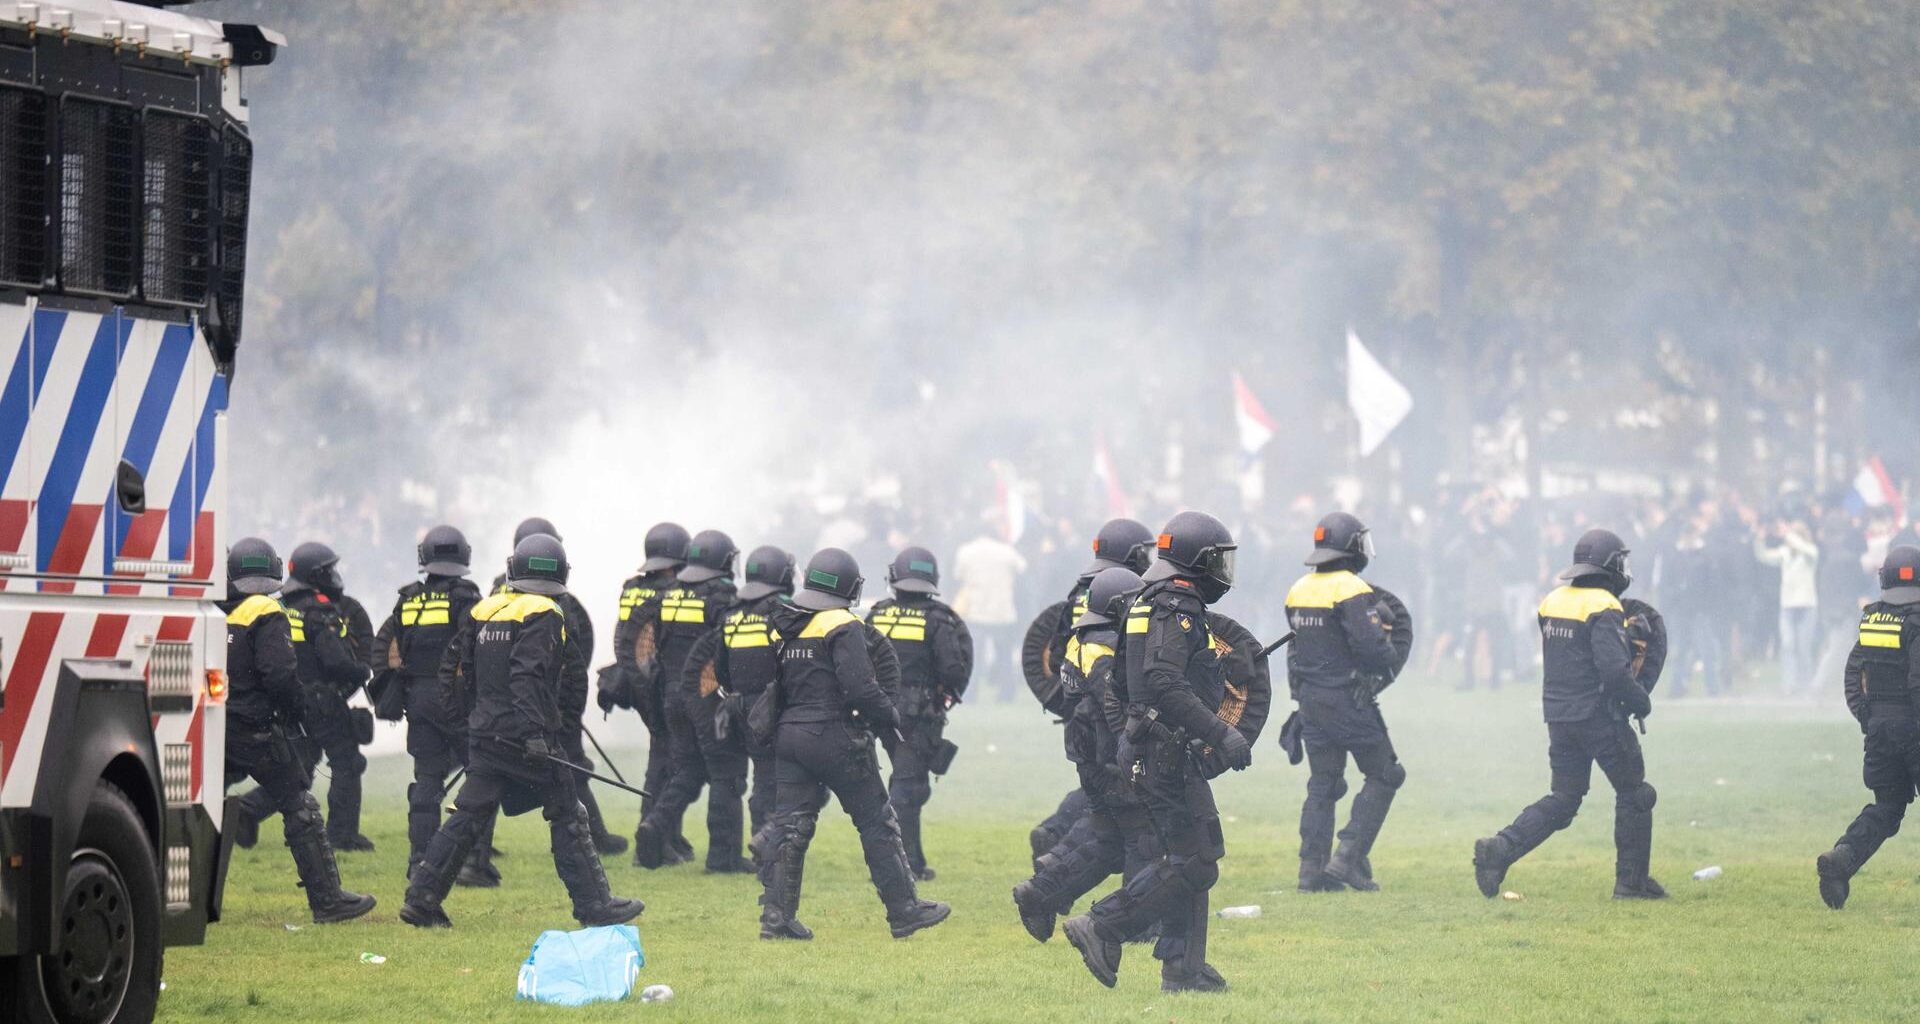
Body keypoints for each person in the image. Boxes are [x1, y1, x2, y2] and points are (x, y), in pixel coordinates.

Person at [400, 535, 645, 929]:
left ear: (514, 569)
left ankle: (421, 898)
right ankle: (595, 906)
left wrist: (467, 723)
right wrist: (535, 733)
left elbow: (455, 671)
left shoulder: (486, 609)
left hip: (484, 735)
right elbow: (528, 675)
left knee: (466, 816)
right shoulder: (546, 611)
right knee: (567, 811)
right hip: (524, 737)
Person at [1063, 511, 1249, 994]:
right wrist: (1220, 732)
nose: (1223, 571)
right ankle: (1104, 925)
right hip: (1165, 748)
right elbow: (1165, 681)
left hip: (1153, 744)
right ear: (1198, 560)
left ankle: (1184, 967)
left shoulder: (1146, 601)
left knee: (1190, 853)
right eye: (1219, 561)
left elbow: (1137, 680)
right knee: (1194, 860)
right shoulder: (1175, 605)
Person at [756, 548, 950, 941]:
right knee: (877, 821)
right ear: (849, 586)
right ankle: (905, 910)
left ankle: (777, 919)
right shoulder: (842, 624)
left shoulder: (789, 620)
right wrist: (889, 717)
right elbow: (860, 687)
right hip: (833, 736)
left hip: (790, 735)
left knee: (790, 827)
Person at [1473, 528, 1667, 901]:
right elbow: (1613, 671)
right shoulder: (1603, 606)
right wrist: (1640, 701)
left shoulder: (1553, 601)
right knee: (1635, 793)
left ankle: (1500, 849)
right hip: (1598, 717)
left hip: (1559, 717)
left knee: (1564, 798)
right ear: (1612, 566)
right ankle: (1631, 883)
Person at [220, 538, 376, 924]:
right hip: (259, 726)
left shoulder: (220, 611)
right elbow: (279, 675)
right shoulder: (267, 611)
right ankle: (328, 902)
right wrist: (293, 713)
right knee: (299, 804)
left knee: (204, 805)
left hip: (220, 724)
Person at [1013, 566, 1156, 942]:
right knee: (1144, 837)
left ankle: (1041, 893)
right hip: (1110, 759)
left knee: (1109, 844)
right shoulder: (1105, 650)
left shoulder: (1084, 639)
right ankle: (1137, 924)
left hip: (1089, 757)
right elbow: (1115, 708)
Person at [1286, 512, 1413, 893]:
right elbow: (1372, 649)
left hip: (1310, 701)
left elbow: (1297, 650)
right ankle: (1348, 857)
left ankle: (1312, 869)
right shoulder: (1351, 589)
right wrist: (1387, 647)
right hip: (1348, 700)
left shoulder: (1298, 589)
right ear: (1352, 548)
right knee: (1387, 774)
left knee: (1323, 781)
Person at [1024, 519, 1154, 869]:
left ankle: (1055, 836)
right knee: (1121, 791)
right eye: (1146, 551)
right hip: (1111, 704)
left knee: (1100, 783)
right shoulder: (1130, 594)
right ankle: (1059, 839)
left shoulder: (1081, 592)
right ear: (1131, 553)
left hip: (1077, 702)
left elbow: (1055, 648)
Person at [375, 525, 486, 880]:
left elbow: (396, 643)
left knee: (426, 782)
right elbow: (475, 650)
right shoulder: (466, 598)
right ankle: (469, 861)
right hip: (457, 699)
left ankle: (419, 861)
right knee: (478, 778)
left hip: (418, 699)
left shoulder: (407, 599)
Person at [1815, 546, 1920, 909]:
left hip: (1879, 729)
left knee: (1887, 807)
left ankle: (1842, 860)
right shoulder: (1918, 620)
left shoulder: (1873, 619)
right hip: (1913, 727)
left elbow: (1851, 673)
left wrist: (1867, 717)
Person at [632, 529, 744, 870]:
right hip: (706, 698)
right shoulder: (723, 598)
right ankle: (723, 859)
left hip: (671, 699)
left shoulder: (668, 595)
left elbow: (648, 647)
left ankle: (655, 823)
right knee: (727, 774)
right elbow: (726, 653)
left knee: (687, 770)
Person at [867, 547, 974, 881]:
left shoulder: (877, 613)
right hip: (917, 715)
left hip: (877, 710)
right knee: (908, 787)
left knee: (905, 783)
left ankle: (911, 859)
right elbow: (954, 670)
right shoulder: (941, 619)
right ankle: (897, 864)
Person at [604, 521, 694, 864]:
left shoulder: (631, 588)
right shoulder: (672, 592)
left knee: (667, 757)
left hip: (637, 681)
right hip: (660, 682)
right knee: (665, 760)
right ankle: (653, 841)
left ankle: (668, 833)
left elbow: (624, 638)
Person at [952, 527, 1028, 702]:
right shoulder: (1006, 551)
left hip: (975, 611)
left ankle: (970, 694)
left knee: (973, 657)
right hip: (1002, 611)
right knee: (1004, 657)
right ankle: (1006, 693)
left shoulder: (966, 551)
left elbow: (958, 575)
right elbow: (1022, 568)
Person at [1755, 517, 1821, 694]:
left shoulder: (1811, 552)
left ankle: (1805, 685)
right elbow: (1763, 556)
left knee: (1803, 648)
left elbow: (1802, 547)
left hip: (1807, 606)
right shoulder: (1785, 553)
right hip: (1787, 606)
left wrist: (1788, 534)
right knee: (1788, 645)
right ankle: (1789, 685)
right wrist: (1759, 539)